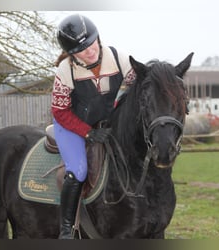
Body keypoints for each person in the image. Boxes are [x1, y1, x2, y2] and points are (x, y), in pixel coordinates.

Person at [51, 14, 136, 239]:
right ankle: (67, 229)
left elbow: (136, 91)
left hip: (106, 123)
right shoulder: (65, 70)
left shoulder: (121, 59)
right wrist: (87, 132)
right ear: (71, 54)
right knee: (78, 170)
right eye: (82, 48)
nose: (90, 50)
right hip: (71, 123)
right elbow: (60, 111)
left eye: (92, 42)